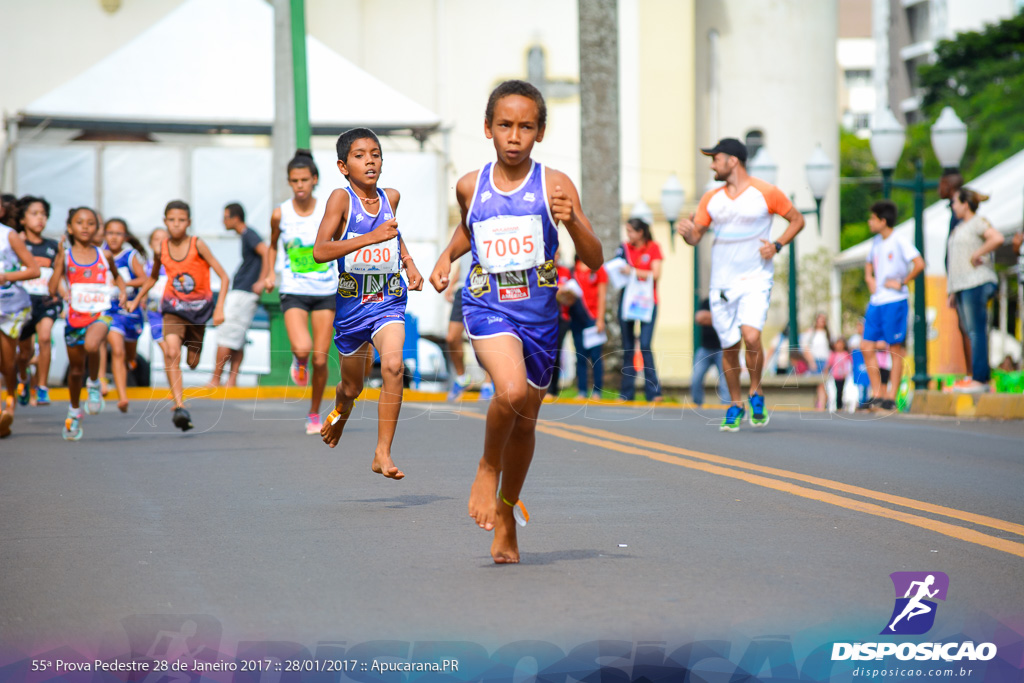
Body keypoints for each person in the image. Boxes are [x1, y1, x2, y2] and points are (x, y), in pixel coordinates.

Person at [428, 79, 603, 563]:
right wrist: (447, 256)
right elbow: (471, 228)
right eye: (504, 125)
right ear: (488, 129)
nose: (514, 135)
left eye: (525, 127)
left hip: (541, 317)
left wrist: (571, 222)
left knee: (525, 423)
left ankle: (506, 514)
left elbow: (594, 259)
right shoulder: (470, 184)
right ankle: (487, 467)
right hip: (487, 307)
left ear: (539, 133)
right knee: (510, 391)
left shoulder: (556, 185)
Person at [312, 127, 424, 479]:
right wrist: (369, 238)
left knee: (393, 367)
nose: (370, 160)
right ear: (344, 166)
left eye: (375, 153)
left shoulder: (391, 197)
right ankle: (340, 411)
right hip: (352, 309)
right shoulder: (340, 200)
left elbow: (394, 235)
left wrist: (409, 263)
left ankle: (382, 452)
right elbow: (320, 251)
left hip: (388, 301)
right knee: (352, 387)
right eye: (360, 155)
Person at [677, 137, 805, 431]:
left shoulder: (766, 192)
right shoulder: (711, 198)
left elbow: (796, 220)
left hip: (756, 278)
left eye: (716, 158)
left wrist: (777, 245)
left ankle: (756, 390)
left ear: (732, 160)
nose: (712, 164)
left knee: (750, 335)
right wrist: (687, 234)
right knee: (729, 346)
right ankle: (735, 404)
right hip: (722, 284)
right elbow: (696, 236)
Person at [129, 200, 228, 432]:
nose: (176, 225)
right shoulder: (161, 248)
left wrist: (220, 307)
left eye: (181, 220)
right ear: (165, 221)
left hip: (198, 311)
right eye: (171, 220)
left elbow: (223, 276)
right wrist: (136, 299)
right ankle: (180, 406)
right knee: (171, 352)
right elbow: (152, 278)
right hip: (172, 309)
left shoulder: (197, 245)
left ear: (189, 223)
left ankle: (189, 345)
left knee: (192, 362)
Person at [265, 150, 337, 434]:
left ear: (315, 180)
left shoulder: (327, 211)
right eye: (294, 180)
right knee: (304, 348)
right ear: (289, 182)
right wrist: (270, 272)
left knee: (321, 358)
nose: (300, 185)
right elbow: (272, 245)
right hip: (293, 289)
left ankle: (314, 413)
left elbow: (339, 241)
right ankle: (299, 360)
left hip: (326, 289)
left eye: (305, 180)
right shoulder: (280, 213)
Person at [48, 207, 125, 440]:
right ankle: (73, 411)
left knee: (93, 345)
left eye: (91, 223)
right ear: (70, 228)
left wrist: (122, 291)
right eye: (79, 222)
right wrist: (60, 266)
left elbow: (118, 276)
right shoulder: (66, 256)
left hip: (100, 312)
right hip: (75, 316)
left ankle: (93, 383)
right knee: (75, 371)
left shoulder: (105, 255)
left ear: (97, 229)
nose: (85, 227)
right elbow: (52, 287)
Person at [861, 200, 925, 411]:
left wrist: (903, 281)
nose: (869, 222)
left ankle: (891, 396)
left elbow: (919, 263)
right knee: (866, 346)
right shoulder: (876, 242)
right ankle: (877, 392)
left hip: (895, 300)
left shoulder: (899, 240)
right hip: (877, 300)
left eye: (873, 218)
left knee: (894, 348)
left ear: (883, 220)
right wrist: (869, 277)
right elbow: (869, 262)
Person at [947, 188, 1004, 393]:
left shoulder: (978, 222)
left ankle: (980, 378)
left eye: (955, 202)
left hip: (976, 282)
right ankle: (975, 376)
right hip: (962, 285)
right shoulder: (959, 227)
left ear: (965, 204)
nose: (953, 207)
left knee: (977, 331)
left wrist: (977, 253)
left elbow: (996, 238)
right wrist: (952, 290)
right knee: (970, 331)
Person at [210, 203, 269, 388]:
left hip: (243, 292)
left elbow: (266, 251)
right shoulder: (246, 236)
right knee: (238, 338)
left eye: (225, 217)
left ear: (235, 218)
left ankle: (216, 379)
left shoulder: (249, 234)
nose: (223, 221)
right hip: (245, 292)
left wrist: (262, 280)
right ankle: (231, 381)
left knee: (226, 334)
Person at [14, 196, 62, 406]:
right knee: (25, 352)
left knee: (44, 338)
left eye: (43, 214)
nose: (40, 219)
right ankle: (23, 378)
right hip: (24, 302)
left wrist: (64, 294)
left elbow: (58, 275)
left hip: (47, 301)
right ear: (23, 219)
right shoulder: (16, 244)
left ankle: (42, 387)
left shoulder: (53, 246)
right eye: (34, 214)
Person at [0, 206, 40, 437]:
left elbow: (33, 269)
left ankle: (10, 402)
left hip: (10, 306)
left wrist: (6, 277)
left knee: (7, 361)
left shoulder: (9, 235)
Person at [102, 218, 148, 413]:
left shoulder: (129, 256)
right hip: (110, 310)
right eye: (110, 233)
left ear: (125, 237)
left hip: (131, 312)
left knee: (129, 355)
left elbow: (144, 280)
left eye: (118, 233)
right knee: (116, 350)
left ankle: (131, 362)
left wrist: (123, 284)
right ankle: (121, 395)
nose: (113, 237)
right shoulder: (100, 254)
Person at [444, 254, 495, 401]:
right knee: (451, 337)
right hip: (463, 289)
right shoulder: (465, 231)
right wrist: (452, 283)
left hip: (485, 287)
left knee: (485, 337)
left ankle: (488, 383)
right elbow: (463, 262)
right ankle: (462, 378)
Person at [570, 253, 607, 399]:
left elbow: (602, 296)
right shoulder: (574, 270)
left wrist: (600, 319)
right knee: (580, 355)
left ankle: (597, 390)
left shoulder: (598, 270)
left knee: (596, 356)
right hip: (577, 318)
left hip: (593, 318)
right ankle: (582, 390)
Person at [692, 297, 728, 407]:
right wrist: (720, 319)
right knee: (696, 378)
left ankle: (726, 407)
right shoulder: (707, 301)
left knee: (725, 381)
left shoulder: (728, 302)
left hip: (722, 349)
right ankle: (697, 405)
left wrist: (709, 318)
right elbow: (699, 318)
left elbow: (730, 320)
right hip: (705, 348)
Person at [144, 228, 171, 368]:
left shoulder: (173, 265)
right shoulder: (146, 266)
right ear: (150, 244)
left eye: (164, 239)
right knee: (168, 352)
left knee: (172, 353)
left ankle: (174, 387)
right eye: (156, 239)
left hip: (173, 314)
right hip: (155, 315)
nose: (160, 242)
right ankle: (174, 387)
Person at [801, 312, 832, 411]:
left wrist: (829, 363)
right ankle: (818, 404)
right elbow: (806, 348)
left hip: (825, 361)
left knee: (822, 384)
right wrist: (811, 361)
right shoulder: (810, 333)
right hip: (814, 361)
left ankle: (822, 405)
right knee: (817, 383)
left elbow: (830, 349)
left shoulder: (828, 334)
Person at [828, 337, 853, 412]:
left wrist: (848, 372)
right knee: (837, 390)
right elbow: (829, 363)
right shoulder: (833, 354)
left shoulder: (846, 354)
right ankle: (838, 405)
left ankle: (842, 404)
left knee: (842, 390)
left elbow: (850, 363)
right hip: (835, 375)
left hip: (843, 375)